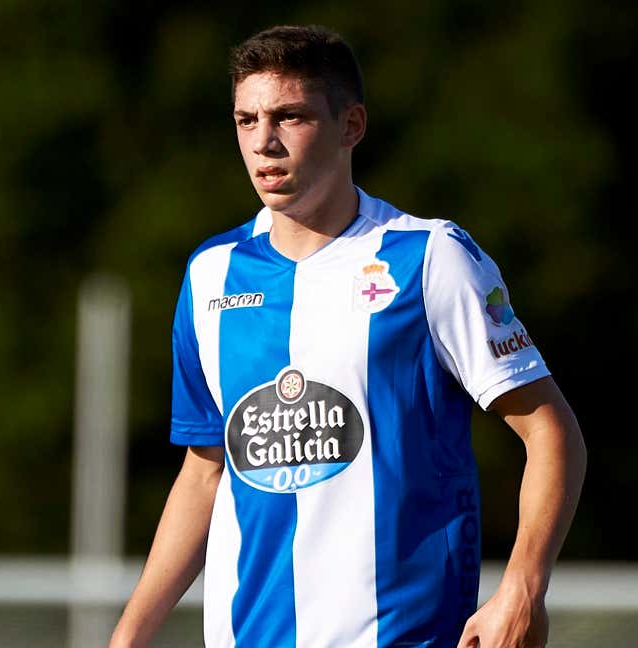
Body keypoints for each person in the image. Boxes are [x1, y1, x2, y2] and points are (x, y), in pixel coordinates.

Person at [109, 24, 586, 648]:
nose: (264, 142)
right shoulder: (211, 274)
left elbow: (551, 432)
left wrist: (524, 587)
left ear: (351, 125)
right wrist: (128, 635)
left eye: (290, 117)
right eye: (246, 120)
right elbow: (205, 470)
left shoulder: (429, 257)